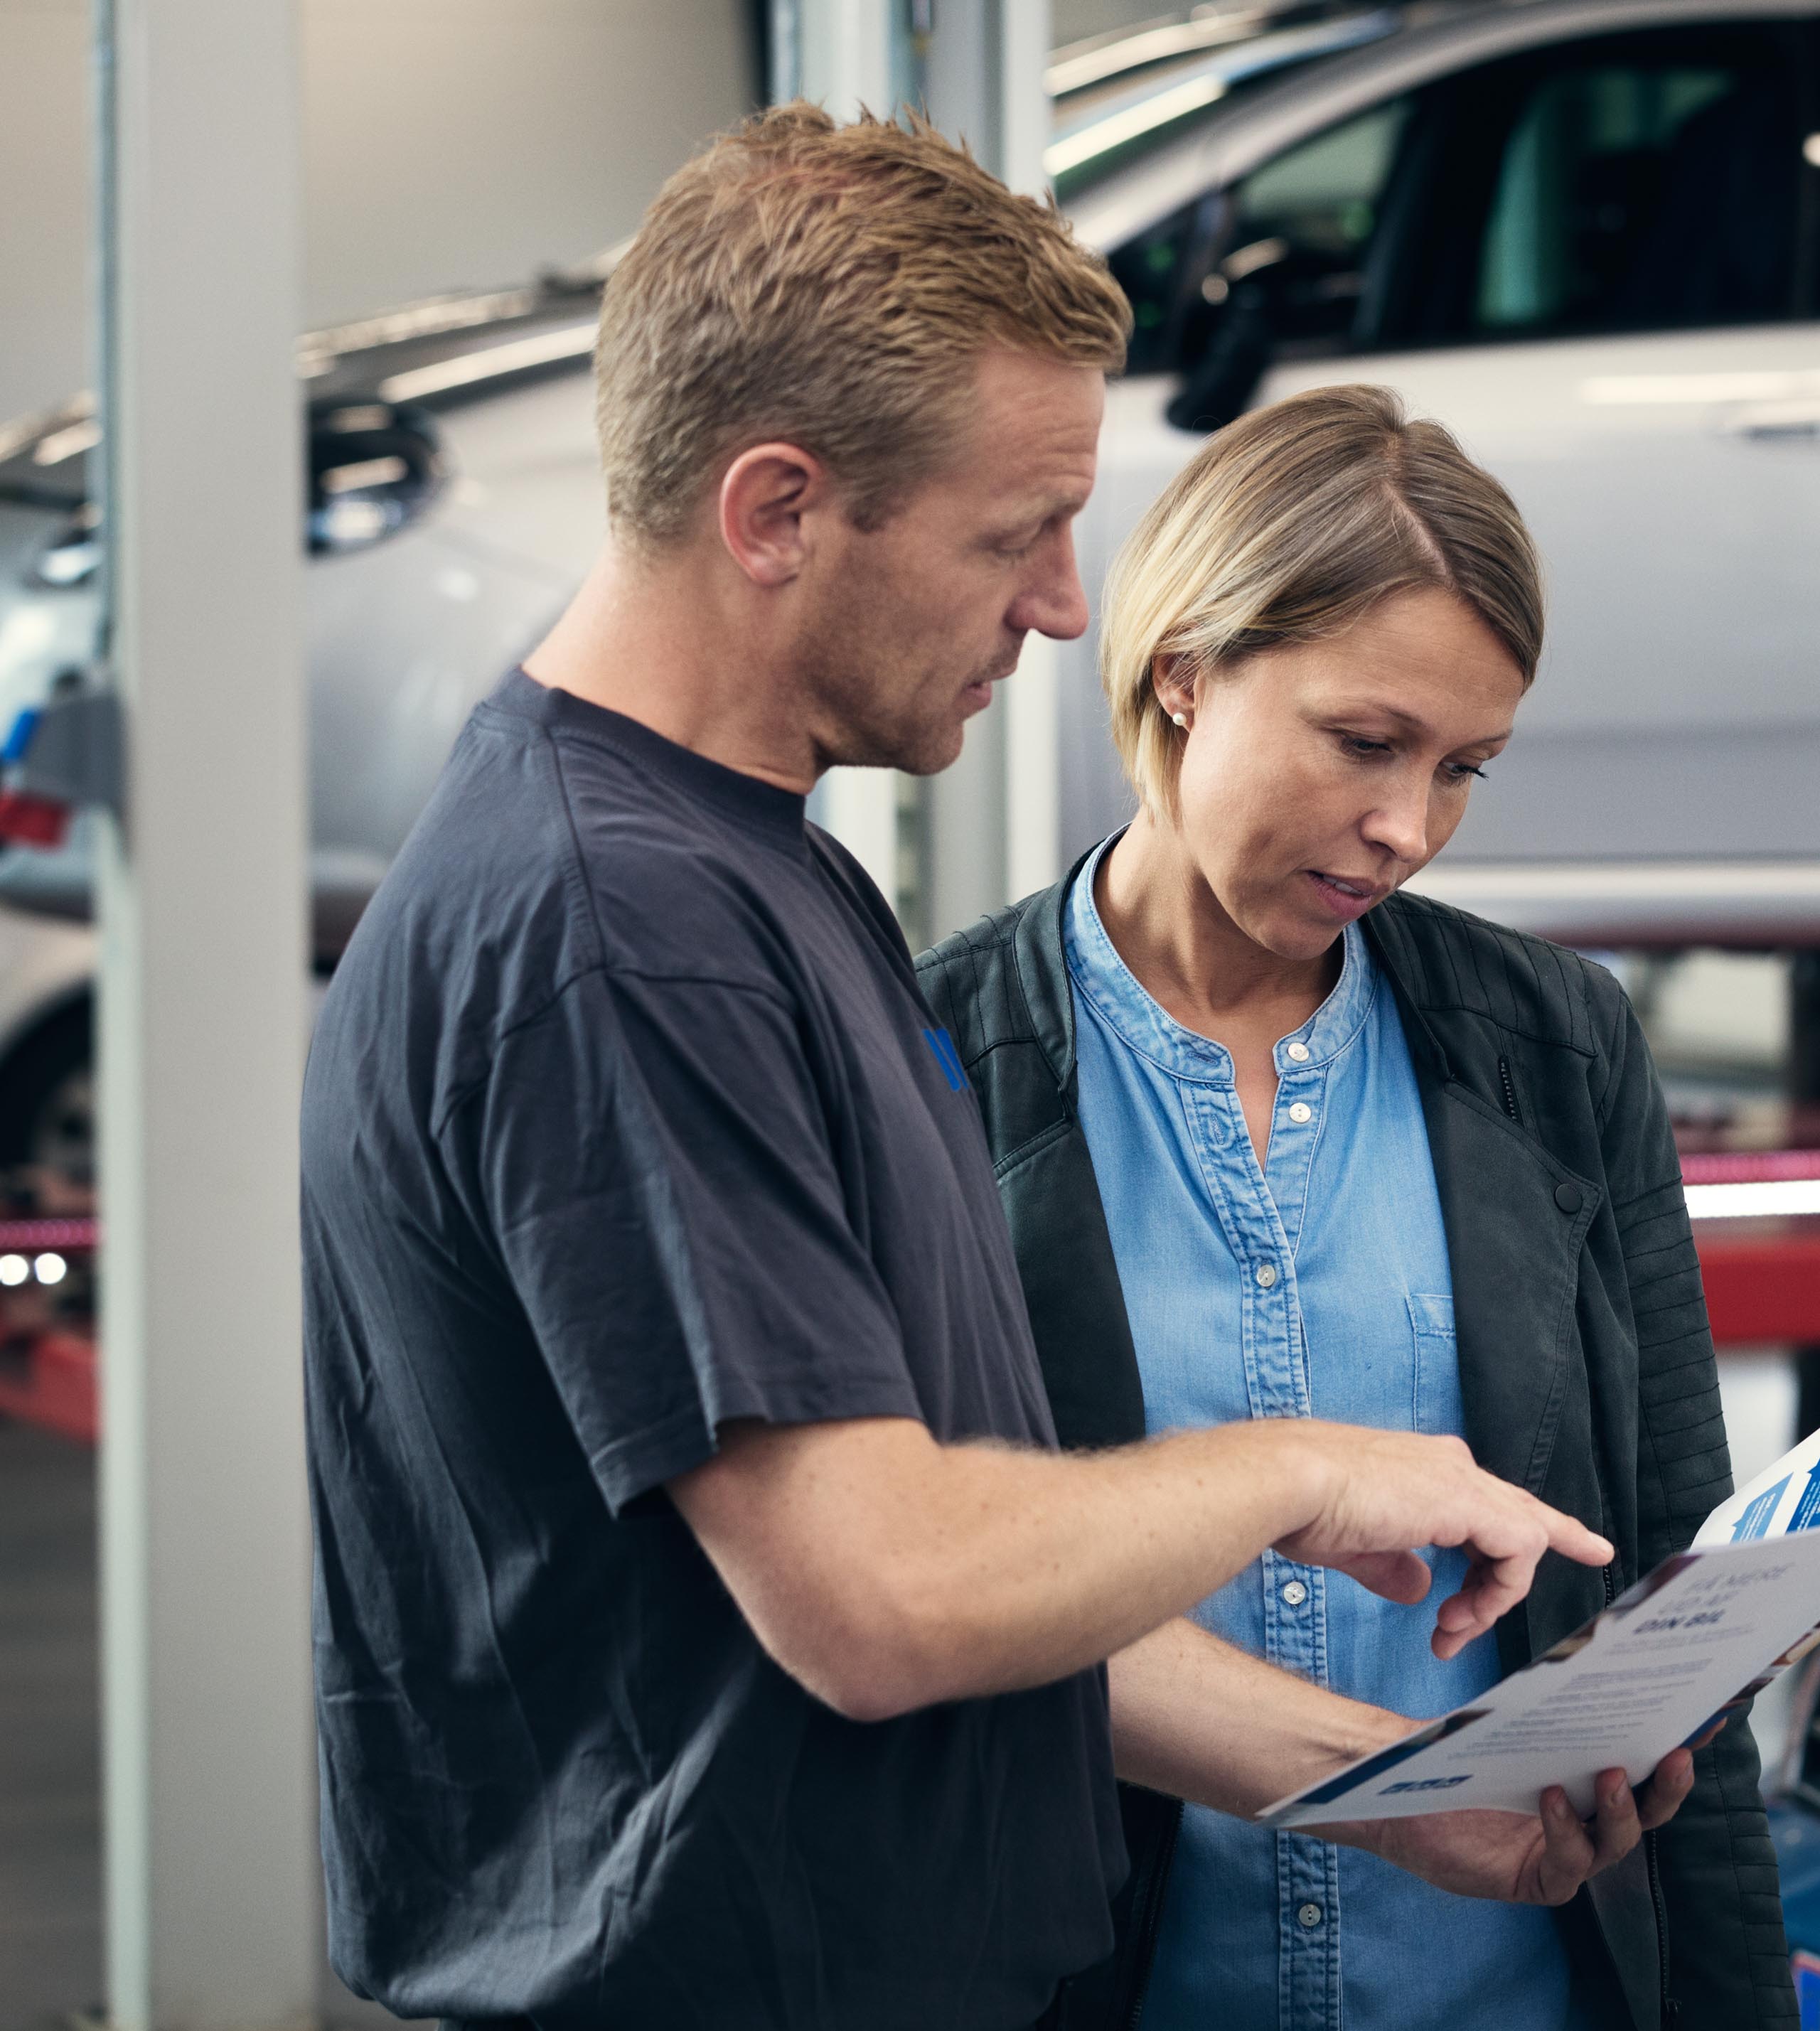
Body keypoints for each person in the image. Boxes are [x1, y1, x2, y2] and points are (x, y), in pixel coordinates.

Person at [301, 107, 1691, 2031]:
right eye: (1012, 531)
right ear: (775, 510)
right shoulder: (623, 932)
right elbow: (887, 1600)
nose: (1059, 605)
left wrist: (1387, 1798)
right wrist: (1295, 1465)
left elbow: (976, 1591)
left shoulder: (762, 885)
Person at [916, 385, 1795, 2031]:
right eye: (1365, 740)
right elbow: (923, 1605)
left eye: (1464, 766)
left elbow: (1681, 1591)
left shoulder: (1557, 1046)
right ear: (1182, 668)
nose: (1410, 827)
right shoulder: (938, 1061)